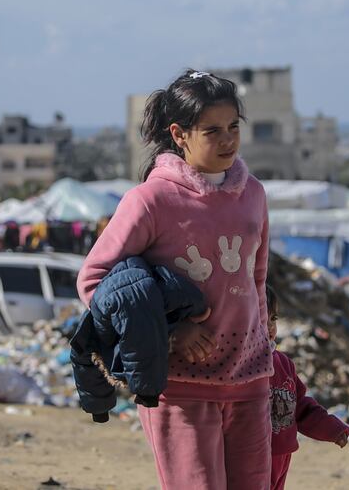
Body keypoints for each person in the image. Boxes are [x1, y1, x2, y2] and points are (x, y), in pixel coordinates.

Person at [77, 69, 272, 489]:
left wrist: (264, 335)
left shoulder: (253, 194)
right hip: (180, 383)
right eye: (212, 131)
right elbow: (95, 281)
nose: (227, 140)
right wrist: (168, 331)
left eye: (234, 127)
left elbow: (257, 276)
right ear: (179, 135)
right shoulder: (151, 200)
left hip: (251, 377)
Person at [266, 285, 349, 490]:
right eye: (260, 318)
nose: (269, 327)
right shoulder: (242, 368)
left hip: (282, 453)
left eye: (273, 319)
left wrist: (331, 429)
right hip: (252, 456)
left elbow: (301, 406)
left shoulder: (283, 364)